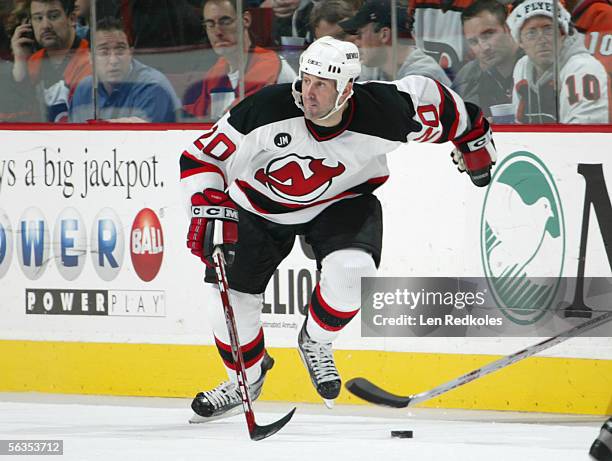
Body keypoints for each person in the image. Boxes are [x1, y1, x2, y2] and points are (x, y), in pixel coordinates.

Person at [180, 36, 497, 421]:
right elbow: (199, 158)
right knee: (225, 302)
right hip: (257, 208)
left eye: (322, 85)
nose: (308, 93)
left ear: (347, 88)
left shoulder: (384, 112)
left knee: (352, 274)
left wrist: (473, 140)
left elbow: (441, 105)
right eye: (306, 80)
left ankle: (316, 341)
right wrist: (207, 205)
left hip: (341, 203)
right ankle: (245, 378)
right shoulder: (264, 110)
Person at [182, 0, 297, 121]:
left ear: (246, 20)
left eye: (225, 22)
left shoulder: (270, 65)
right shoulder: (216, 73)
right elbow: (196, 117)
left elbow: (238, 120)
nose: (217, 32)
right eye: (210, 24)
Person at [507, 0, 609, 123]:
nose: (542, 39)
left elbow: (584, 136)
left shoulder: (583, 68)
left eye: (548, 29)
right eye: (531, 32)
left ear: (563, 34)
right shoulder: (522, 66)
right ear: (520, 41)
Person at [69, 17, 181, 123]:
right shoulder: (83, 90)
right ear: (90, 58)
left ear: (130, 53)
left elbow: (144, 141)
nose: (113, 60)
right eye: (104, 52)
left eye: (120, 50)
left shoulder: (153, 86)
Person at [10, 0, 91, 122]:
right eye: (38, 18)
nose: (45, 25)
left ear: (72, 19)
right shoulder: (33, 62)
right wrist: (20, 62)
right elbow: (21, 117)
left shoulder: (91, 60)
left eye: (53, 16)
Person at [339, 0, 451, 84]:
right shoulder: (374, 66)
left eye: (360, 35)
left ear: (384, 35)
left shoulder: (423, 77)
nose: (356, 43)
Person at [453, 0, 522, 118]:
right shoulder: (466, 79)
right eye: (473, 42)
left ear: (507, 28)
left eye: (488, 34)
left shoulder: (536, 63)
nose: (484, 47)